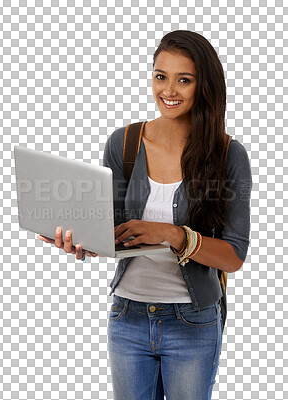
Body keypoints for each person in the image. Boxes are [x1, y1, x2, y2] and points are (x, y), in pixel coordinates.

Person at [38, 30, 252, 400]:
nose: (168, 90)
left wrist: (173, 235)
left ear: (204, 86)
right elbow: (112, 232)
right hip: (127, 318)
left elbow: (233, 256)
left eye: (184, 79)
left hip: (193, 321)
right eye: (160, 76)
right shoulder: (124, 144)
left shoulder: (228, 154)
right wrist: (83, 243)